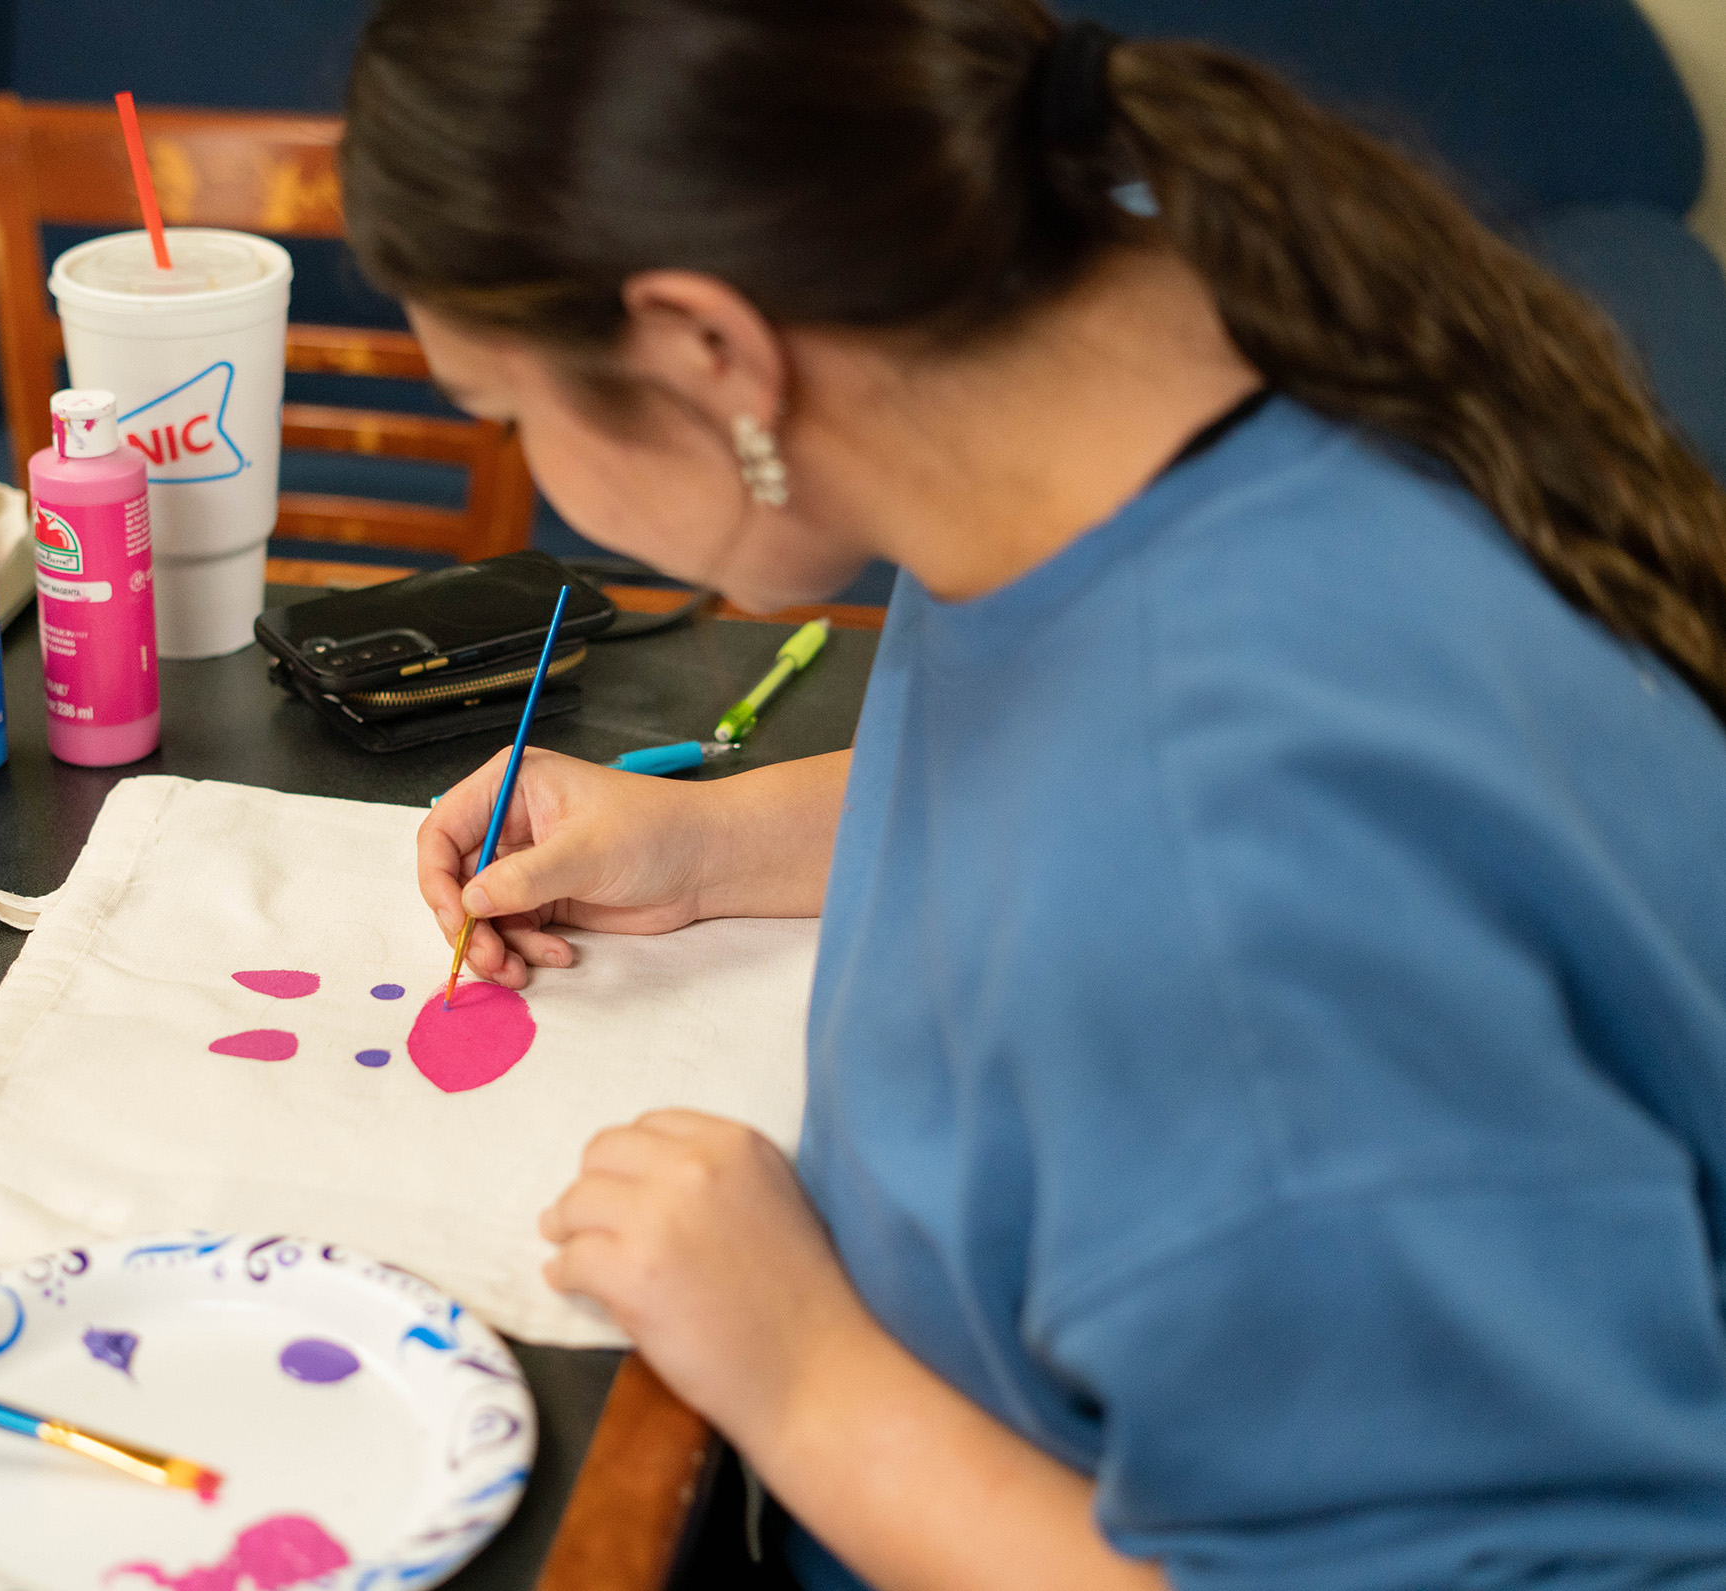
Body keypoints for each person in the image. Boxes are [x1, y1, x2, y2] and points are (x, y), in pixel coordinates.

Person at [346, 1, 1726, 1587]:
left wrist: (799, 1374)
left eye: (508, 411)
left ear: (710, 349)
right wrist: (718, 839)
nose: (529, 469)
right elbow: (1063, 738)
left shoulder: (1234, 891)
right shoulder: (1114, 337)